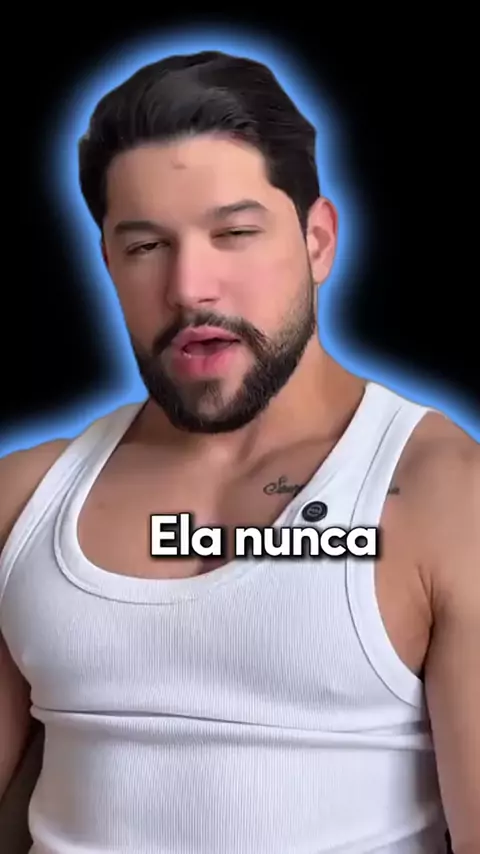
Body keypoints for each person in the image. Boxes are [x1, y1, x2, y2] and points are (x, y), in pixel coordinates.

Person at [0, 50, 477, 854]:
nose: (191, 287)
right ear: (108, 262)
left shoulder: (444, 499)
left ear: (317, 241)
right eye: (145, 246)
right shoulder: (22, 502)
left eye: (235, 234)